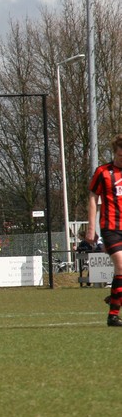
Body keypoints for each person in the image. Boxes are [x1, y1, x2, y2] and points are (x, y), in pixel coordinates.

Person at [85, 133, 122, 327]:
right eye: (121, 155)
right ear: (115, 152)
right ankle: (113, 315)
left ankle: (116, 297)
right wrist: (91, 227)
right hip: (111, 228)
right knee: (121, 266)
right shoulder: (103, 172)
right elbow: (93, 198)